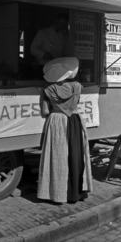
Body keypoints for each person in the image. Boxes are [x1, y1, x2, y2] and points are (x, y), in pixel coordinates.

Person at [37, 57, 92, 203]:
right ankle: (76, 193)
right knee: (76, 156)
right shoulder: (78, 87)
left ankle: (58, 194)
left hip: (57, 120)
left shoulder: (48, 89)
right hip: (75, 120)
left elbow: (45, 111)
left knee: (57, 157)